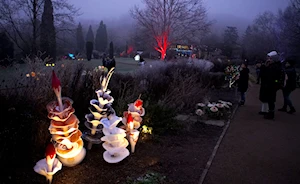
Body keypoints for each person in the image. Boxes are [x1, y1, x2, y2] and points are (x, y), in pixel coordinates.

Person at [260, 51, 285, 119]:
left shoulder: (275, 67)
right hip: (270, 85)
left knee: (271, 100)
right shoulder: (272, 66)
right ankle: (270, 112)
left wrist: (274, 83)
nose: (268, 60)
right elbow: (264, 74)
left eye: (270, 59)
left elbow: (272, 76)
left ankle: (271, 113)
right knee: (270, 99)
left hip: (271, 85)